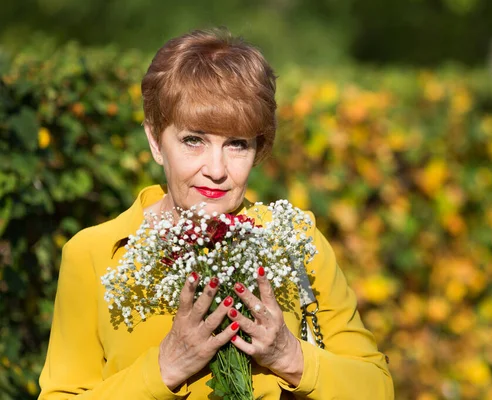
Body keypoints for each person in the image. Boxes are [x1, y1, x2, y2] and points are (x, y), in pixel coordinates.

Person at [38, 28, 394, 399]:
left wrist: (289, 356)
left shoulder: (296, 242)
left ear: (258, 149)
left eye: (237, 145)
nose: (217, 169)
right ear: (156, 141)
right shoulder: (95, 254)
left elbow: (378, 387)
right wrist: (164, 368)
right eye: (194, 140)